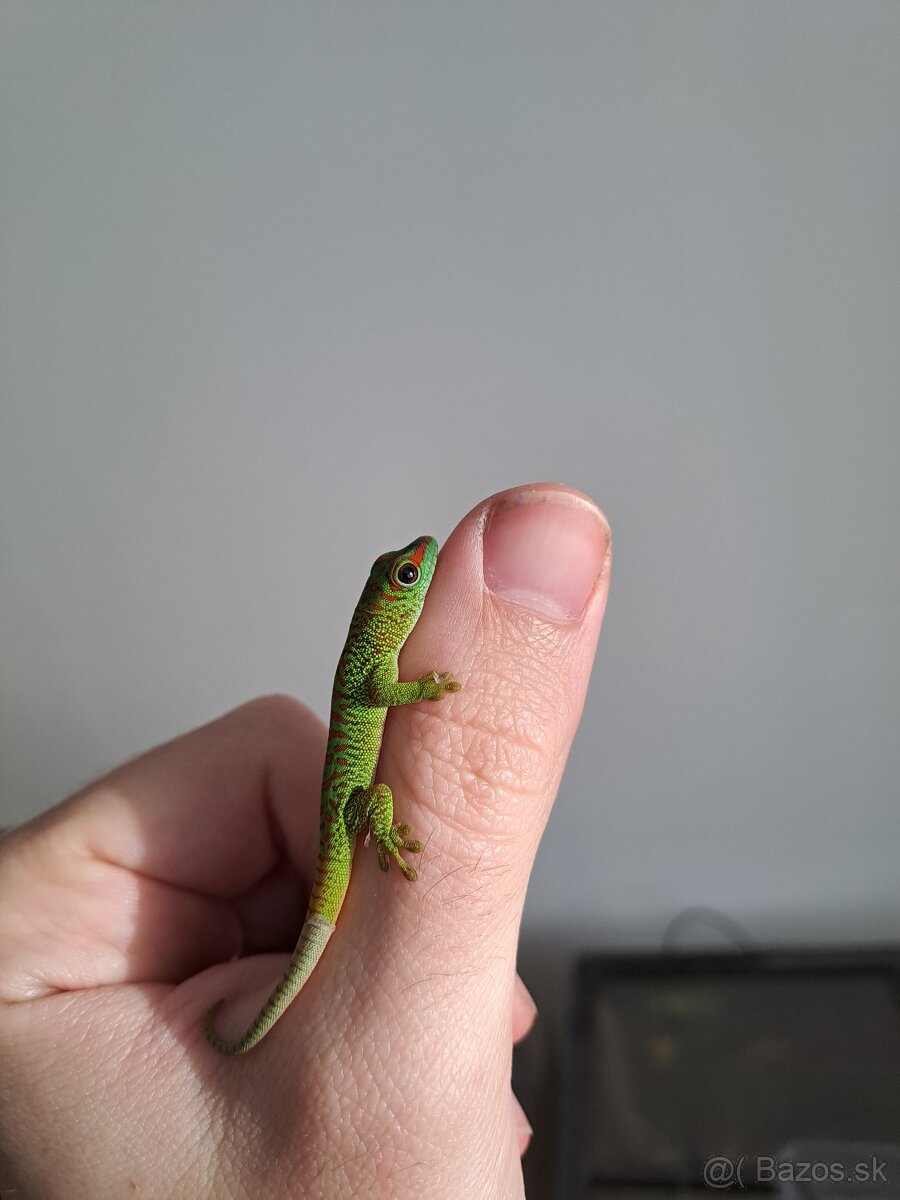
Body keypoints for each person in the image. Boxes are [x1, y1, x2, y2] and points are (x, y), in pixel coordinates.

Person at [0, 482, 611, 1199]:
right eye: (410, 576)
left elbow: (375, 686)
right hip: (351, 805)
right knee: (376, 808)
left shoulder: (372, 646)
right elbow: (384, 691)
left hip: (335, 805)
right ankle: (379, 833)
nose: (422, 567)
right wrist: (426, 696)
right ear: (390, 605)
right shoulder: (372, 656)